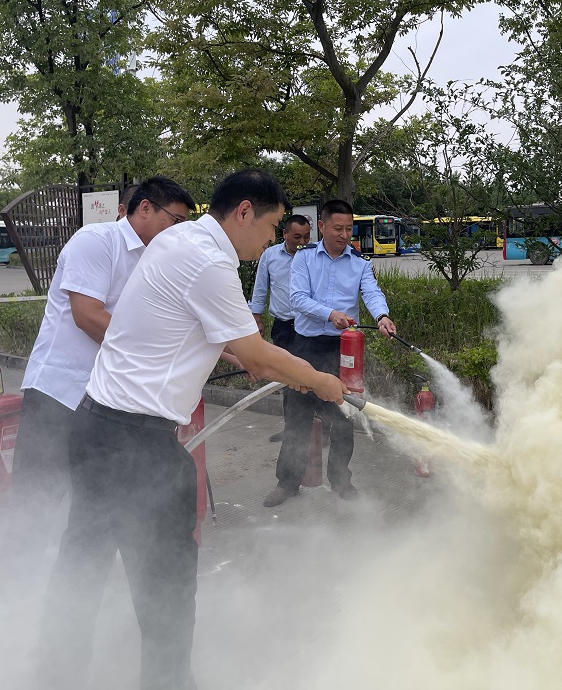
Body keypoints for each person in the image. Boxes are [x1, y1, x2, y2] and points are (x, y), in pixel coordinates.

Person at [37, 168, 347, 690]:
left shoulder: (179, 240)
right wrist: (320, 381)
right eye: (272, 226)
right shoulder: (210, 263)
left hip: (94, 427)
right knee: (166, 589)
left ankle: (54, 675)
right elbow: (257, 353)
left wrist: (242, 354)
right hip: (138, 446)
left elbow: (184, 326)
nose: (273, 239)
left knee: (81, 568)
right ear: (244, 212)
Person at [1, 176, 195, 577]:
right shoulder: (96, 241)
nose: (177, 231)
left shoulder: (157, 260)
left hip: (103, 406)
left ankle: (72, 597)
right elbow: (88, 316)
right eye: (174, 220)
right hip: (59, 395)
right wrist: (153, 359)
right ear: (145, 208)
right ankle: (10, 595)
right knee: (35, 504)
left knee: (93, 512)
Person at [264, 199, 396, 508]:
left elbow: (372, 292)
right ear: (322, 226)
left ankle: (341, 481)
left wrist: (382, 316)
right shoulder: (304, 258)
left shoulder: (360, 262)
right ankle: (288, 483)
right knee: (297, 415)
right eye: (338, 228)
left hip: (343, 350)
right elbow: (297, 298)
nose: (344, 235)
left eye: (349, 228)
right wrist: (329, 313)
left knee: (344, 416)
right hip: (305, 347)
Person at [249, 213, 312, 442]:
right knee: (287, 377)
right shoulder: (270, 255)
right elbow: (260, 289)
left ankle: (320, 430)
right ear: (284, 234)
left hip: (310, 327)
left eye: (306, 237)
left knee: (313, 375)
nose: (302, 242)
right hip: (284, 327)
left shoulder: (314, 254)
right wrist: (256, 318)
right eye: (297, 237)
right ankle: (291, 429)